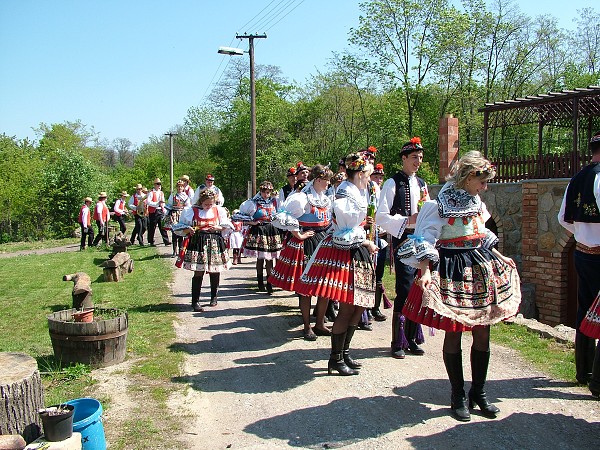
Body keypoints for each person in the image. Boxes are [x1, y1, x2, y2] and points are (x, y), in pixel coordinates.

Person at [398, 150, 521, 421]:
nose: (485, 187)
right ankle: (457, 394)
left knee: (482, 330)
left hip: (478, 264)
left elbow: (480, 231)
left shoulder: (476, 200)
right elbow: (427, 239)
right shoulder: (439, 203)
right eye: (483, 181)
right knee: (453, 331)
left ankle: (479, 392)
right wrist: (425, 270)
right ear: (468, 178)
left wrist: (500, 255)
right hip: (452, 266)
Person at [296, 153, 378, 375]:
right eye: (368, 175)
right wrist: (366, 240)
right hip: (344, 251)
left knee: (358, 303)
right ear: (360, 174)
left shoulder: (358, 191)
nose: (370, 179)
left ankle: (345, 352)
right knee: (348, 305)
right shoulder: (344, 191)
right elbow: (344, 229)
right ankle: (335, 358)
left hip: (356, 250)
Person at [376, 137, 429, 358]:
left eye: (421, 158)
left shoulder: (422, 184)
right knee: (405, 287)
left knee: (419, 287)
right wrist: (408, 220)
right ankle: (397, 341)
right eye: (415, 157)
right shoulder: (392, 183)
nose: (418, 161)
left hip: (422, 239)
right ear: (404, 158)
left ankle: (412, 338)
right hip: (403, 239)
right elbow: (381, 216)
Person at [270, 164, 334, 340]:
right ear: (318, 180)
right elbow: (282, 216)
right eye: (326, 181)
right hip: (307, 243)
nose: (328, 184)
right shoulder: (301, 198)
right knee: (305, 287)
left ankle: (319, 323)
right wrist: (298, 233)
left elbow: (329, 221)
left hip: (323, 242)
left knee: (325, 285)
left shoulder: (325, 199)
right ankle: (307, 326)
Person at [558, 131, 600, 393]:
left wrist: (582, 235)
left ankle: (583, 370)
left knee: (585, 308)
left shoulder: (577, 178)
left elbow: (563, 218)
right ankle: (597, 381)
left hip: (582, 253)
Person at [173, 188, 232, 312]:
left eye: (211, 204)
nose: (208, 207)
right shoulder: (191, 211)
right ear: (201, 202)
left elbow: (227, 226)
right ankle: (195, 301)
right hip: (198, 242)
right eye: (206, 204)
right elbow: (180, 227)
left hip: (215, 242)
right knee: (198, 271)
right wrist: (189, 229)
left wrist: (218, 227)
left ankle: (214, 297)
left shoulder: (218, 210)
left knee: (215, 270)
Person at [235, 181, 283, 293]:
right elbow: (239, 216)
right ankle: (260, 282)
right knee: (260, 258)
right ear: (260, 191)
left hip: (271, 230)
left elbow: (281, 214)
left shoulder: (274, 202)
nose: (266, 194)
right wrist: (253, 222)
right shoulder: (253, 203)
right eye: (264, 192)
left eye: (268, 192)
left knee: (270, 258)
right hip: (259, 231)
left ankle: (270, 283)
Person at [369, 162, 390, 322]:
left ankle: (375, 308)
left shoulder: (384, 193)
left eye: (381, 176)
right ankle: (365, 310)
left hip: (381, 238)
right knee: (367, 274)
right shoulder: (367, 192)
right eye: (376, 176)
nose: (378, 179)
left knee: (379, 276)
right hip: (369, 238)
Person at [166, 180, 192, 257]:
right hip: (174, 214)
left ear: (183, 187)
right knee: (174, 232)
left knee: (181, 232)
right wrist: (166, 214)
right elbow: (169, 204)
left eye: (181, 186)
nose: (179, 188)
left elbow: (188, 206)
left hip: (181, 214)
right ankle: (174, 251)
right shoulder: (173, 195)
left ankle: (181, 250)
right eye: (178, 186)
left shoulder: (185, 196)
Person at [146, 178, 170, 246]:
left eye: (160, 184)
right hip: (154, 211)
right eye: (158, 184)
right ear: (154, 185)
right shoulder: (151, 193)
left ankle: (166, 241)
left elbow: (163, 203)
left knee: (162, 226)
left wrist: (165, 210)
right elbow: (148, 202)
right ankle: (151, 241)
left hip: (160, 210)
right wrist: (157, 203)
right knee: (152, 227)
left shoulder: (161, 193)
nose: (159, 185)